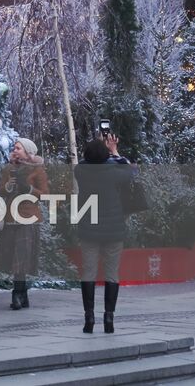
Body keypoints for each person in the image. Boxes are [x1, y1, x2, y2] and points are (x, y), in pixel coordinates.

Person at [73, 135, 134, 334]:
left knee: (88, 272)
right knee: (112, 273)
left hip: (88, 229)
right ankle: (109, 317)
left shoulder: (80, 171)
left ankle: (89, 317)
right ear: (106, 156)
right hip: (113, 231)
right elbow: (129, 169)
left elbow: (85, 161)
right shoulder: (115, 172)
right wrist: (113, 151)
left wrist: (98, 147)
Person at [0, 137, 48, 310]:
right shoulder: (9, 168)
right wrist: (9, 186)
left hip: (28, 217)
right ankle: (23, 294)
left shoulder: (37, 169)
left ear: (28, 151)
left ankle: (17, 294)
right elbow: (1, 190)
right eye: (14, 148)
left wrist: (29, 189)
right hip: (10, 217)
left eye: (18, 148)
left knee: (21, 257)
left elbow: (45, 194)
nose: (15, 150)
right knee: (13, 257)